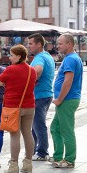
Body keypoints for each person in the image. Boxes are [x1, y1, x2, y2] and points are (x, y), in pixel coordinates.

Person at [0, 44, 36, 173]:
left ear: (19, 56)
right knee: (28, 134)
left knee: (15, 135)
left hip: (13, 106)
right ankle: (28, 164)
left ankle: (13, 165)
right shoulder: (32, 70)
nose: (9, 57)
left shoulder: (11, 69)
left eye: (12, 55)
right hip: (29, 106)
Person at [51, 33, 83, 168]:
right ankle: (58, 156)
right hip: (68, 99)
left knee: (66, 130)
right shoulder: (72, 58)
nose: (58, 46)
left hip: (67, 100)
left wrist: (59, 99)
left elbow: (68, 82)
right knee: (55, 128)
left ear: (69, 44)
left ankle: (69, 159)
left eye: (60, 44)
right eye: (58, 43)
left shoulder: (70, 59)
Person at [27, 33, 55, 161]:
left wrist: (29, 80)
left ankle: (42, 152)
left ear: (39, 44)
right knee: (35, 125)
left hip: (40, 95)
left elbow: (37, 71)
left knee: (39, 124)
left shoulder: (39, 58)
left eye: (31, 43)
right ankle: (33, 150)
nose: (29, 46)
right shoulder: (47, 56)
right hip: (45, 94)